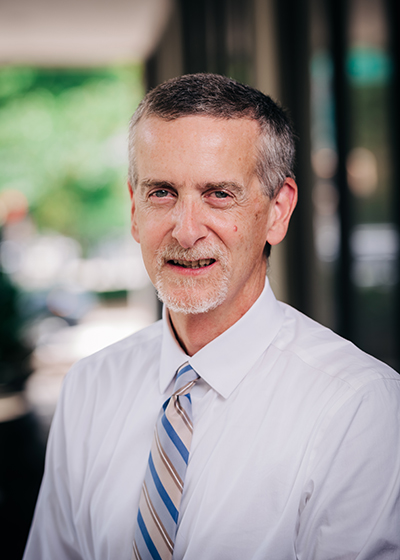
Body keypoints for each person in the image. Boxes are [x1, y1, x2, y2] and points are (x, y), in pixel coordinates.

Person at [24, 74, 400, 560]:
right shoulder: (90, 387)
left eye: (219, 194)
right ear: (134, 209)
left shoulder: (359, 406)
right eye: (162, 192)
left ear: (278, 211)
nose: (185, 230)